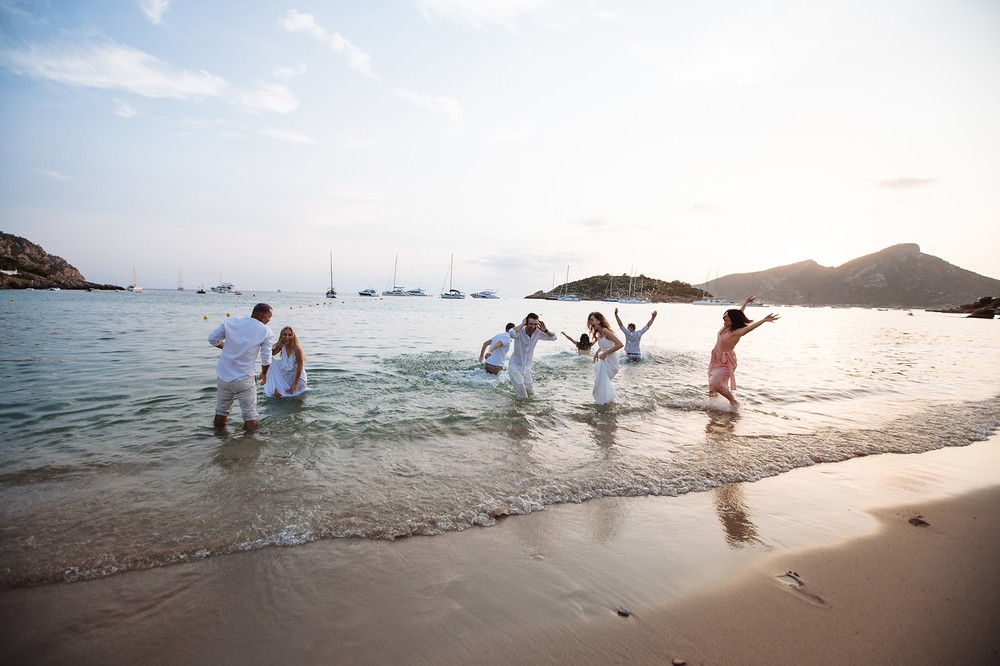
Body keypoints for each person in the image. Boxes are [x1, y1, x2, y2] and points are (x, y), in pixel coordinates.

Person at [209, 302, 275, 430]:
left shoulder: (231, 322)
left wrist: (225, 347)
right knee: (249, 413)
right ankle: (248, 445)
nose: (269, 320)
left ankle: (219, 438)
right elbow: (266, 358)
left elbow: (212, 339)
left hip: (223, 376)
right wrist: (264, 373)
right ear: (262, 316)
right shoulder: (266, 331)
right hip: (244, 378)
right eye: (269, 317)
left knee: (221, 410)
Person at [708, 296, 780, 410]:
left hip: (726, 361)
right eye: (724, 317)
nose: (724, 318)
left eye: (726, 317)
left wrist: (764, 320)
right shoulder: (726, 327)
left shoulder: (736, 332)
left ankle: (734, 403)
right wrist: (746, 302)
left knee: (716, 383)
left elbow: (750, 328)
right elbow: (739, 313)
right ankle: (712, 406)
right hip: (716, 358)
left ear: (732, 320)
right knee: (712, 384)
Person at [507, 313, 557, 400]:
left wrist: (545, 330)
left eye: (535, 324)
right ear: (526, 323)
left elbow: (554, 337)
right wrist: (522, 324)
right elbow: (511, 333)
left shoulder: (538, 332)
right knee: (523, 397)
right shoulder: (520, 331)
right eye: (530, 324)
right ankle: (517, 412)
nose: (533, 327)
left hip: (527, 368)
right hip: (515, 366)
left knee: (531, 394)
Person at [588, 311, 624, 405]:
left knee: (600, 384)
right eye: (590, 320)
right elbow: (605, 344)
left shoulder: (605, 330)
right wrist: (597, 352)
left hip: (612, 362)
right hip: (605, 361)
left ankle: (607, 402)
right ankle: (607, 403)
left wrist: (605, 353)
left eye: (592, 320)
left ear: (599, 321)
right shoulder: (600, 333)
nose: (591, 322)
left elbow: (620, 344)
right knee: (600, 384)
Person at [263, 326, 308, 398]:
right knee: (276, 393)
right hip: (286, 375)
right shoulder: (281, 345)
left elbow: (300, 365)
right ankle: (280, 409)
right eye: (285, 334)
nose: (287, 337)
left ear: (293, 336)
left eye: (290, 335)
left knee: (297, 401)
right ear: (282, 335)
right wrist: (267, 342)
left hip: (297, 377)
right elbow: (271, 354)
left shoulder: (296, 348)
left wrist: (295, 383)